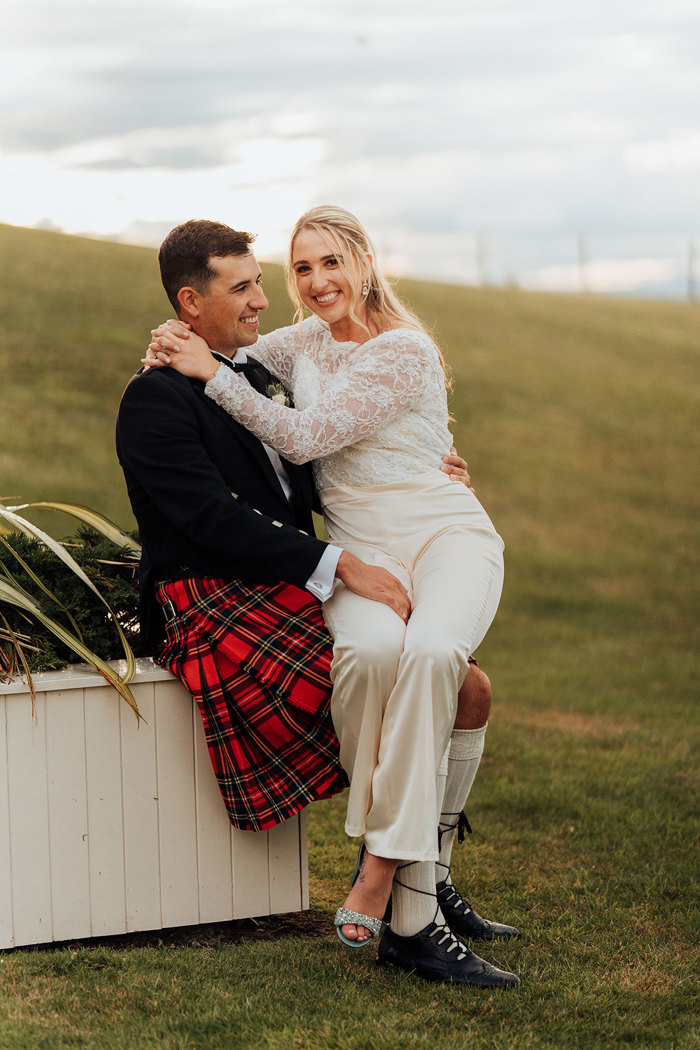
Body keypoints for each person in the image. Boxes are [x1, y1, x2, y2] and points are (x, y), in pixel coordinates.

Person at [145, 208, 520, 988]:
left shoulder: (407, 347)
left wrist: (206, 370)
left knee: (436, 656)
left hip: (440, 530)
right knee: (372, 653)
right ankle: (423, 878)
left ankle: (385, 866)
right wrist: (171, 345)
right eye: (300, 270)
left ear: (364, 260)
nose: (315, 284)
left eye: (329, 263)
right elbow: (229, 343)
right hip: (361, 547)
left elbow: (305, 434)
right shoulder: (299, 342)